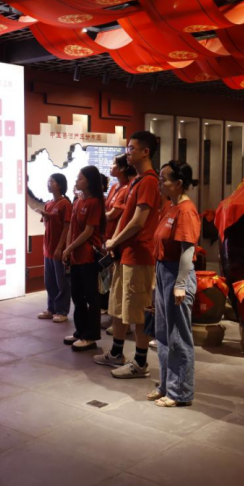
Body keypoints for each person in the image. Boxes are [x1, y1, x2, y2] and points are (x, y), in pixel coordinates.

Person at [96, 130, 160, 378]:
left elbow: (138, 221)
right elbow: (125, 218)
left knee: (139, 310)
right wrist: (114, 242)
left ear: (145, 152)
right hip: (125, 254)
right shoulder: (136, 181)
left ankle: (140, 363)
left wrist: (114, 240)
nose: (127, 152)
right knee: (119, 306)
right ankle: (116, 352)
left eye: (132, 148)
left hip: (139, 255)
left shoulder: (149, 181)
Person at [149, 160, 201, 407]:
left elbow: (187, 250)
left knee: (178, 336)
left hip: (177, 274)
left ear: (178, 183)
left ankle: (179, 392)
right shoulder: (170, 206)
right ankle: (166, 385)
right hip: (163, 272)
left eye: (164, 179)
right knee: (162, 334)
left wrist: (181, 284)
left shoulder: (186, 210)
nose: (160, 183)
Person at [62, 165, 106, 351]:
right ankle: (80, 331)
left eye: (80, 178)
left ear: (88, 181)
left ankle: (91, 336)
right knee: (77, 296)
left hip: (88, 256)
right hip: (75, 256)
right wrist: (68, 249)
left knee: (91, 297)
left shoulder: (95, 202)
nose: (76, 180)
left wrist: (69, 248)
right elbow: (72, 228)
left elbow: (88, 231)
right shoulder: (78, 201)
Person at [103, 154, 136, 329]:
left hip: (119, 240)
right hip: (109, 238)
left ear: (122, 168)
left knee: (121, 283)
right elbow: (107, 212)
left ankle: (123, 323)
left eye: (114, 163)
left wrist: (98, 213)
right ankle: (115, 318)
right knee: (112, 281)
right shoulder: (115, 187)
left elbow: (112, 215)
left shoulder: (127, 188)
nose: (111, 166)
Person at [38, 174, 72, 323]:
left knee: (62, 282)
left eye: (51, 181)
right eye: (48, 181)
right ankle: (51, 309)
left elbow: (67, 227)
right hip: (48, 249)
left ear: (59, 185)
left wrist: (60, 248)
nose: (48, 184)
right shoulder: (48, 203)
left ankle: (62, 311)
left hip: (59, 249)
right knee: (49, 281)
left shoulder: (65, 204)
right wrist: (46, 217)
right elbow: (47, 225)